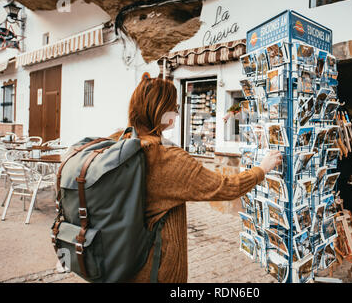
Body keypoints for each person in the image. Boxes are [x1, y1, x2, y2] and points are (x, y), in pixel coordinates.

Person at [110, 78, 282, 283]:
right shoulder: (167, 159)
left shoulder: (117, 142)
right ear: (162, 112)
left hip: (121, 265)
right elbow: (225, 187)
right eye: (174, 107)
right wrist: (261, 169)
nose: (176, 112)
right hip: (157, 273)